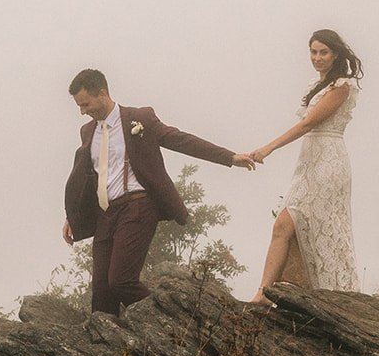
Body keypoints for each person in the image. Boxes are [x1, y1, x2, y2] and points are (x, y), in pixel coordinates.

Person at [62, 69, 257, 315]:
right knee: (102, 293)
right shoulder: (88, 131)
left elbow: (180, 140)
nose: (83, 111)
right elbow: (89, 178)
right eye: (79, 106)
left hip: (138, 205)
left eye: (86, 104)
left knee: (121, 281)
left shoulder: (138, 118)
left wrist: (229, 157)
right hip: (106, 213)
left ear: (102, 93)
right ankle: (108, 349)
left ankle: (175, 321)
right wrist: (72, 216)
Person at [245, 30, 364, 304]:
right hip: (308, 162)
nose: (317, 58)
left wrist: (268, 147)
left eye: (323, 52)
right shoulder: (316, 85)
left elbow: (308, 124)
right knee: (285, 226)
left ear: (335, 54)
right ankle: (265, 292)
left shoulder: (342, 87)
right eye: (313, 52)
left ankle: (332, 294)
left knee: (306, 225)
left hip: (329, 162)